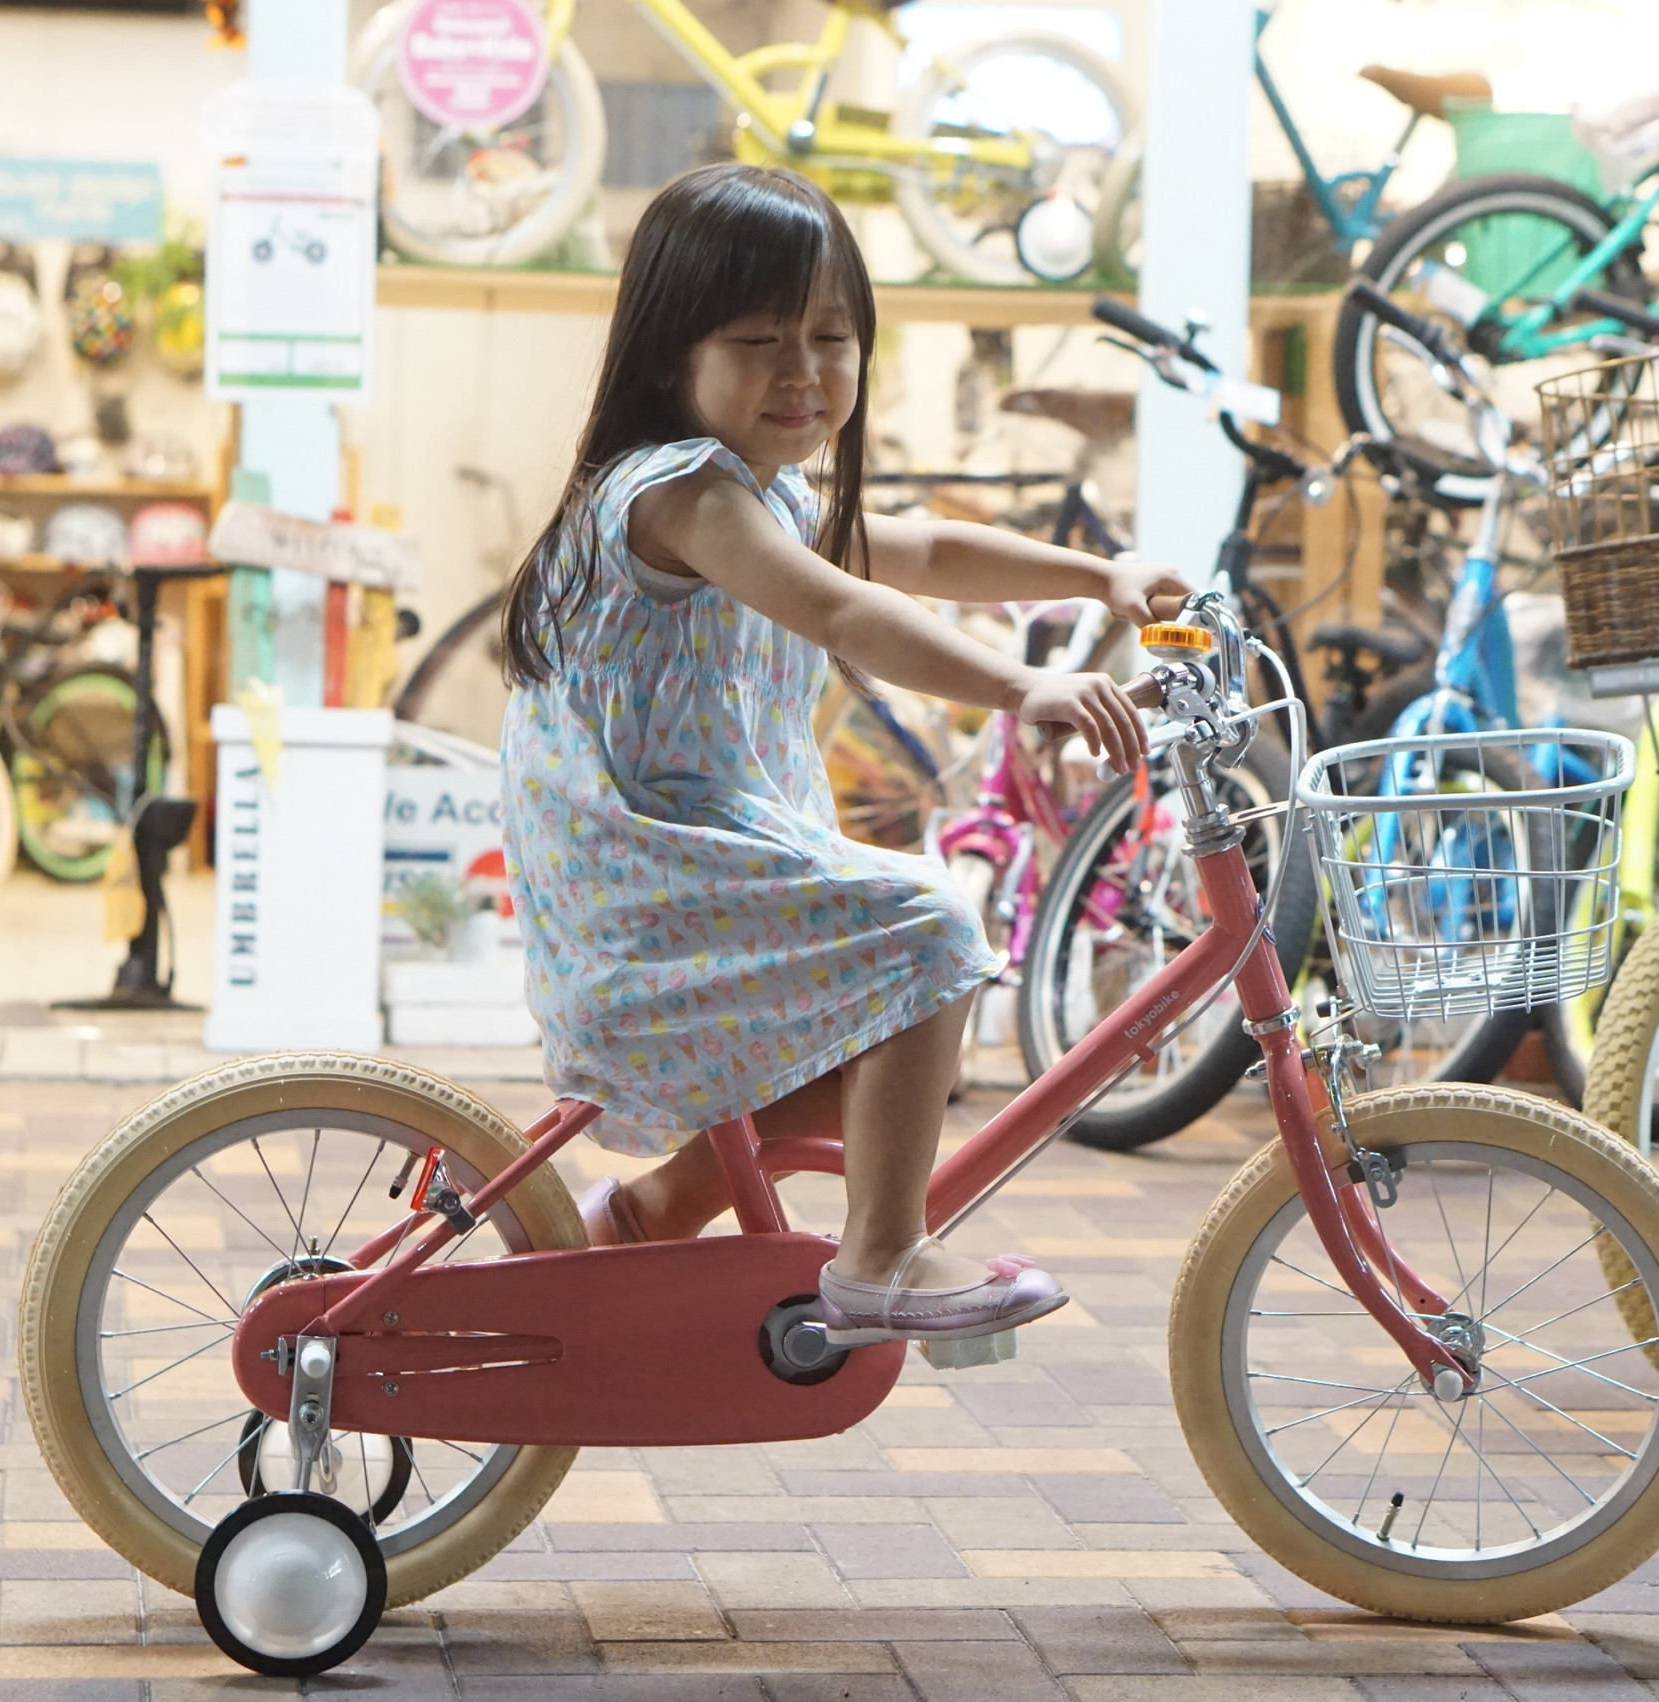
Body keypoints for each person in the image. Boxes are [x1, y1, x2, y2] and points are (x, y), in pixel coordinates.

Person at [499, 162, 1187, 1345]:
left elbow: (913, 553)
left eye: (831, 336)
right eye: (760, 338)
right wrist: (1024, 683)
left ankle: (650, 1212)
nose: (803, 372)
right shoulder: (684, 496)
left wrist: (1100, 575)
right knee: (931, 930)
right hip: (649, 876)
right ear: (672, 355)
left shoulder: (757, 492)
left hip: (686, 859)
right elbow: (847, 612)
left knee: (868, 1038)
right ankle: (877, 1259)